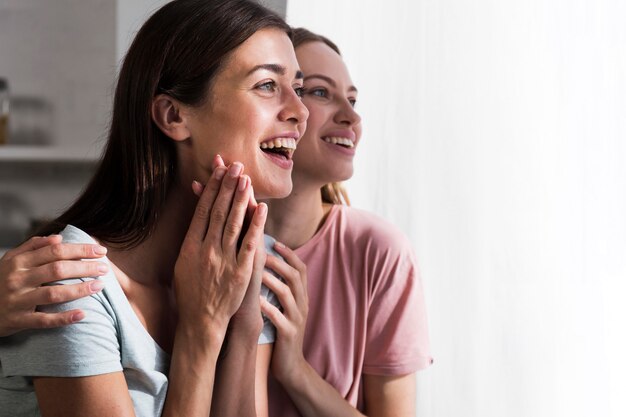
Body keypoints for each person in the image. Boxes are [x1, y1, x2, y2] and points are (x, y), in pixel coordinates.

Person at [0, 1, 308, 416]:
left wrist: (243, 322)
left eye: (299, 89)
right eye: (267, 85)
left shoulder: (251, 267)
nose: (300, 111)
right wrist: (202, 334)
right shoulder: (72, 286)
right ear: (173, 115)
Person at [258, 28, 433, 416]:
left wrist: (296, 372)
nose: (351, 116)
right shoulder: (203, 245)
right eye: (320, 92)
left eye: (352, 99)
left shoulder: (379, 251)